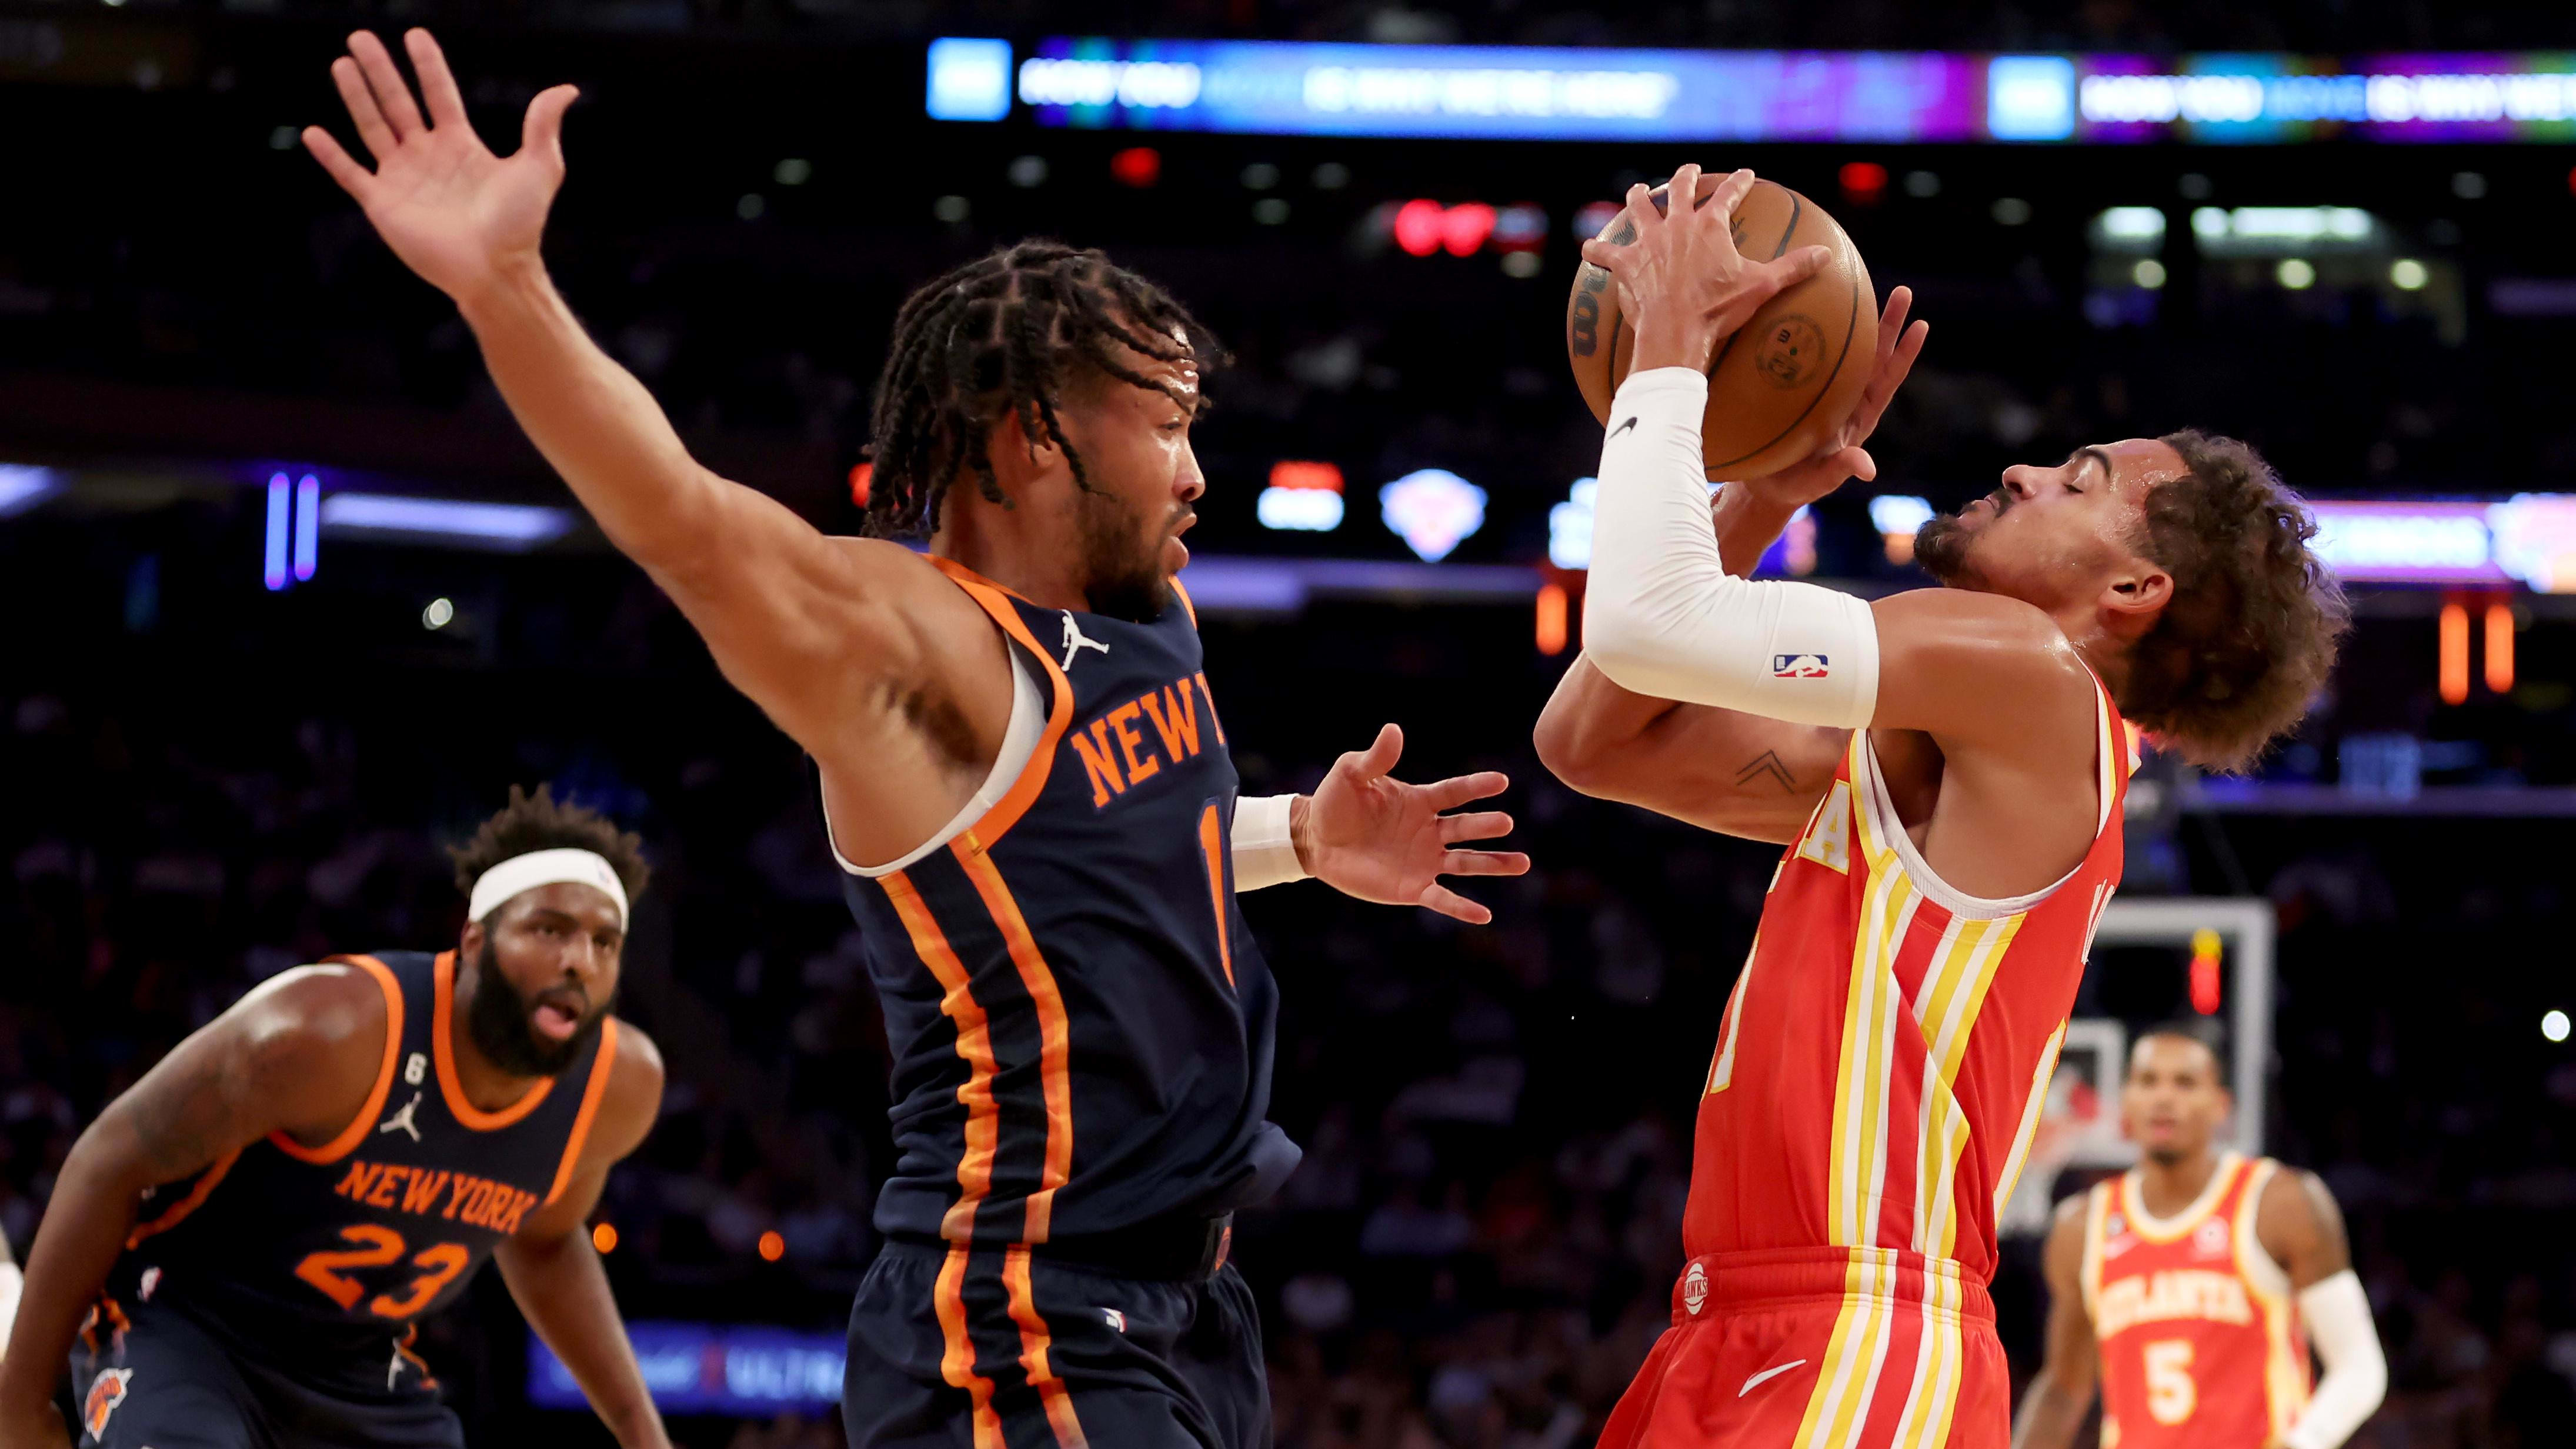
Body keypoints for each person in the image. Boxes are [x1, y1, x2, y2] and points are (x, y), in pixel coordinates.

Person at [298, 30, 1528, 1448]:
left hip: (1191, 1315)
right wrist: (506, 289)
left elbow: (1095, 851)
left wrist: (1298, 836)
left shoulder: (1152, 610)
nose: (1198, 468)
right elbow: (687, 527)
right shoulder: (910, 639)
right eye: (1166, 426)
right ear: (1024, 443)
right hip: (1026, 1322)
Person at [1533, 164, 2348, 1446]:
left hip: (1858, 1335)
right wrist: (1761, 497)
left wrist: (1675, 358)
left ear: (2136, 590)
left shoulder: (2030, 678)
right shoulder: (1946, 761)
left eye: (2078, 480)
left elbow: (1647, 617)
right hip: (1746, 1319)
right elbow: (1590, 736)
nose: (2023, 471)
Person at [0, 785, 671, 1449]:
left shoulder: (616, 1090)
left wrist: (642, 1431)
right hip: (191, 1324)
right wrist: (21, 1407)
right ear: (473, 939)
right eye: (549, 929)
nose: (579, 962)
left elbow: (546, 1239)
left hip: (355, 1364)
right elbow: (110, 1158)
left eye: (605, 943)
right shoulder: (332, 1032)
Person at [2014, 1028, 2386, 1449]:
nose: (2164, 1097)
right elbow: (2064, 1388)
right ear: (2126, 1101)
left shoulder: (2283, 1203)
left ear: (2221, 1106)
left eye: (2185, 1082)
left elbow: (2359, 1366)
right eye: (2148, 1080)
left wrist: (2305, 1440)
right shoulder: (2082, 1227)